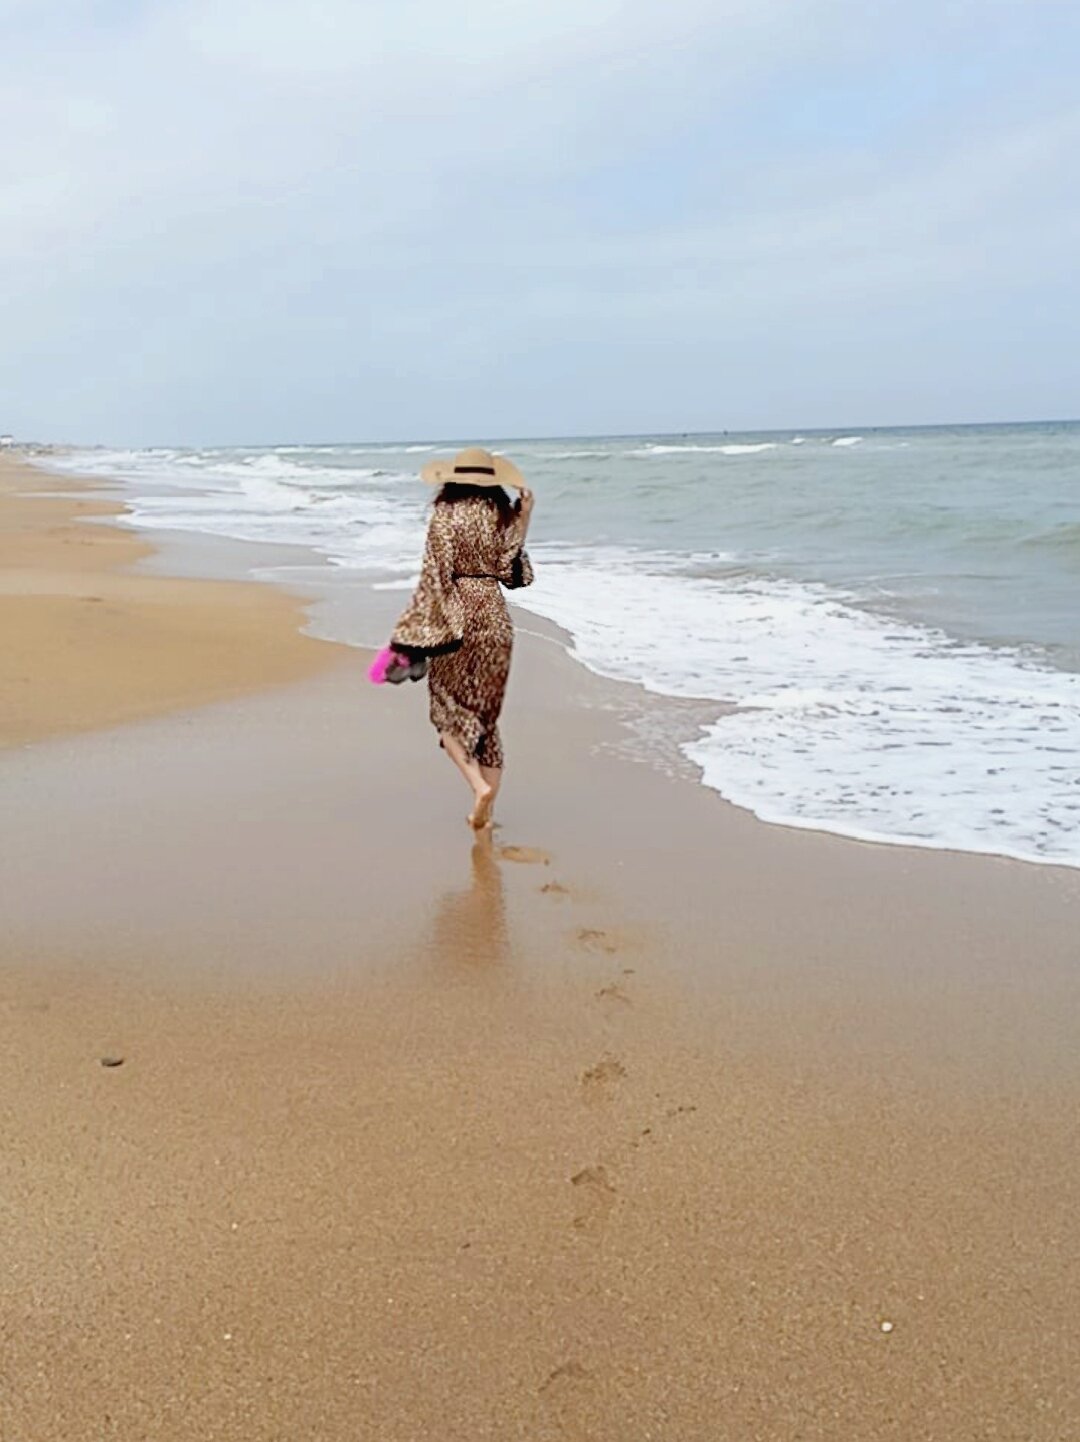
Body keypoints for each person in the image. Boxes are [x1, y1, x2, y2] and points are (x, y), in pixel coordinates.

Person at [389, 446, 535, 830]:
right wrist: (525, 517)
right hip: (495, 619)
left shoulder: (445, 515)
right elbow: (512, 572)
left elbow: (434, 576)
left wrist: (412, 631)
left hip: (456, 620)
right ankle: (485, 814)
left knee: (446, 712)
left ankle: (477, 787)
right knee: (486, 720)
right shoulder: (501, 514)